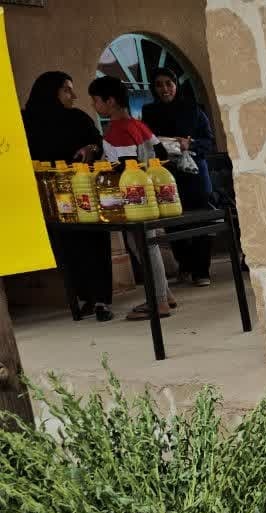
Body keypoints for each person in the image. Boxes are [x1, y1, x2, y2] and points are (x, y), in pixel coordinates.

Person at [22, 71, 114, 322]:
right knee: (68, 246)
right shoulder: (27, 121)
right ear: (50, 91)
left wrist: (91, 148)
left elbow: (97, 142)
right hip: (53, 195)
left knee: (94, 242)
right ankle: (83, 297)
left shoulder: (78, 118)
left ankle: (101, 299)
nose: (73, 96)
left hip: (84, 191)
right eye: (66, 90)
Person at [88, 75, 175, 321]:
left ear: (110, 101)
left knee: (145, 248)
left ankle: (158, 302)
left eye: (95, 100)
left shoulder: (117, 130)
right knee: (151, 245)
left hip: (134, 199)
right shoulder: (139, 125)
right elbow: (160, 152)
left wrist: (104, 170)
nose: (95, 105)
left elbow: (128, 166)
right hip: (153, 195)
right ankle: (165, 295)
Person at [142, 67, 217, 287]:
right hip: (166, 174)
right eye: (158, 85)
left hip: (195, 174)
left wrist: (189, 144)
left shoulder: (193, 109)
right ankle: (185, 264)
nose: (164, 89)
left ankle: (201, 270)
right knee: (173, 222)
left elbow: (209, 142)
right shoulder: (149, 113)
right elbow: (147, 144)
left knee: (204, 218)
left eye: (169, 83)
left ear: (176, 85)